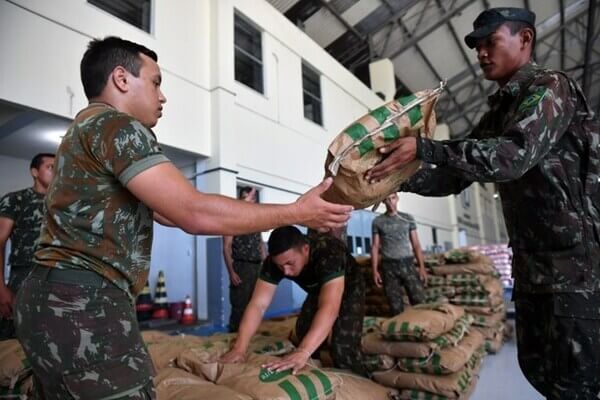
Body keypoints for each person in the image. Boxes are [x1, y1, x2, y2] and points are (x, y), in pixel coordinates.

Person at [14, 36, 353, 399]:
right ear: (121, 79)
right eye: (156, 82)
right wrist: (297, 211)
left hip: (46, 301)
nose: (162, 97)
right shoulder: (118, 127)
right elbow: (192, 211)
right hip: (84, 305)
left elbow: (169, 213)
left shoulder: (80, 131)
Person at [366, 7, 599, 399]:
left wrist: (425, 147)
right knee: (543, 374)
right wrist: (388, 179)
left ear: (524, 39)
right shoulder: (499, 110)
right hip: (535, 273)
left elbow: (510, 157)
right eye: (477, 47)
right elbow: (454, 176)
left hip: (575, 276)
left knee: (578, 384)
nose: (481, 54)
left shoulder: (549, 88)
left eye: (491, 42)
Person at [220, 226, 367, 376]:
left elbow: (329, 307)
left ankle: (364, 379)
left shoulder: (329, 252)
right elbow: (258, 305)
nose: (285, 272)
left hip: (350, 288)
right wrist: (239, 348)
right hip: (318, 289)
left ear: (305, 249)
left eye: (290, 263)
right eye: (280, 266)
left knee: (342, 348)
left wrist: (303, 352)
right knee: (303, 334)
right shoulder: (273, 263)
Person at [0, 153, 54, 340]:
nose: (56, 172)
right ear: (34, 172)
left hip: (58, 278)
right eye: (50, 167)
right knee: (15, 339)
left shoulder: (62, 205)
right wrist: (1, 289)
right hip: (25, 276)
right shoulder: (17, 199)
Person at [371, 192, 427, 315]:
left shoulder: (407, 218)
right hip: (389, 266)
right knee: (395, 305)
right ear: (383, 202)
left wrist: (422, 267)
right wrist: (375, 270)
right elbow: (375, 247)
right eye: (387, 199)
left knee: (419, 300)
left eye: (393, 198)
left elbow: (416, 245)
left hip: (407, 263)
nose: (391, 202)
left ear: (397, 198)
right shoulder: (378, 222)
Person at [223, 186, 267, 332]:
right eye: (246, 198)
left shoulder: (257, 221)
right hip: (241, 267)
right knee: (240, 305)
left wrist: (266, 265)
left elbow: (260, 244)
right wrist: (231, 272)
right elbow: (226, 247)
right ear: (240, 200)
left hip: (257, 267)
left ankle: (253, 335)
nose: (250, 201)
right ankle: (235, 336)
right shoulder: (232, 220)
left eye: (253, 198)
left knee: (257, 304)